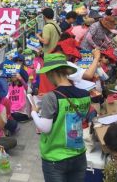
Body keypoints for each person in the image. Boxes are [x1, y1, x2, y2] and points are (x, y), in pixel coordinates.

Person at [30, 53, 91, 182]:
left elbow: (45, 128)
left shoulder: (51, 97)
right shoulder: (85, 94)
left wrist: (34, 112)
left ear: (53, 73)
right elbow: (83, 118)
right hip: (79, 154)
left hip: (55, 157)